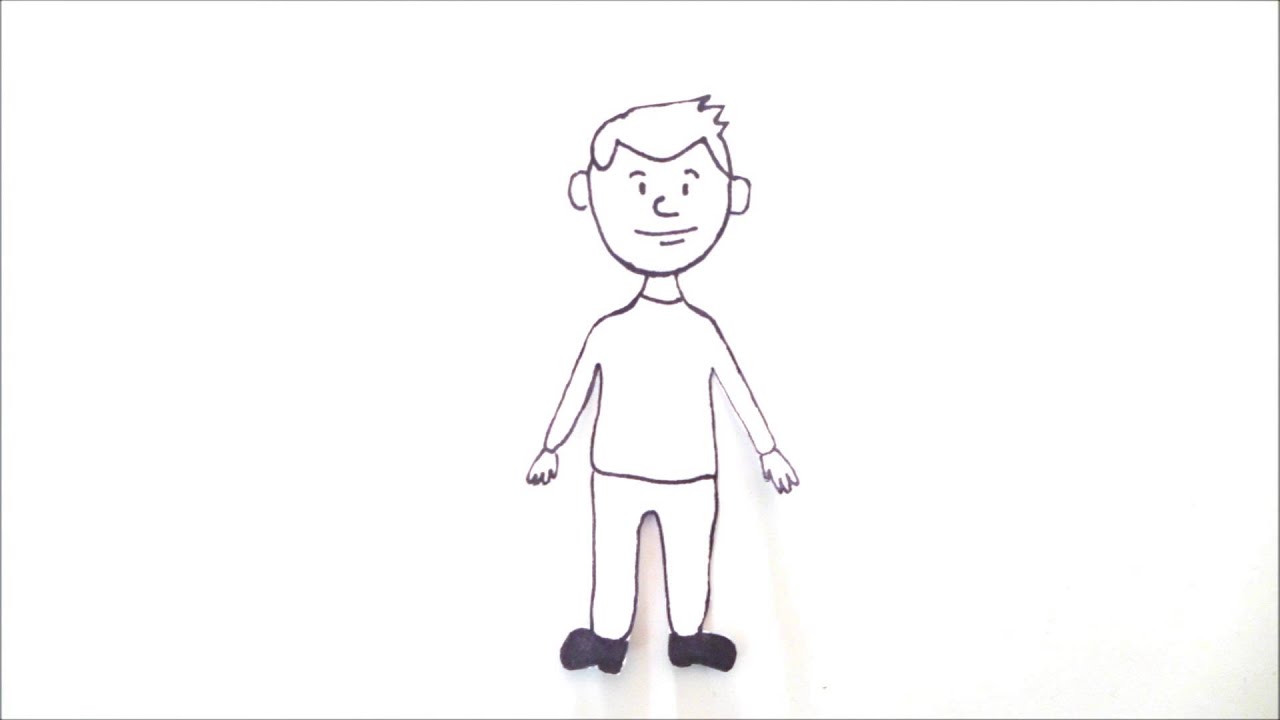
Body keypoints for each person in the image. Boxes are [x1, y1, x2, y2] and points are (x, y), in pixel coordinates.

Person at [526, 96, 799, 674]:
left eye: (689, 183)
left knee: (689, 557)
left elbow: (737, 390)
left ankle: (687, 636)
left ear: (734, 195)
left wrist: (769, 450)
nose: (664, 204)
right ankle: (607, 639)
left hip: (689, 472)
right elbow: (577, 391)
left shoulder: (700, 330)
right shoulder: (609, 331)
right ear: (586, 192)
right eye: (640, 184)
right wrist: (551, 446)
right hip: (618, 469)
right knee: (613, 558)